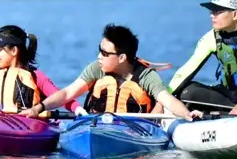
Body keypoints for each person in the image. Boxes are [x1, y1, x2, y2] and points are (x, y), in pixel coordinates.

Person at [21, 24, 200, 120]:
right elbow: (68, 93)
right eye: (100, 50)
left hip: (134, 129)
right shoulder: (96, 68)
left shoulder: (146, 76)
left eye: (105, 53)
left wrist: (187, 114)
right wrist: (39, 108)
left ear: (122, 57)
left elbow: (167, 99)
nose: (99, 56)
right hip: (97, 124)